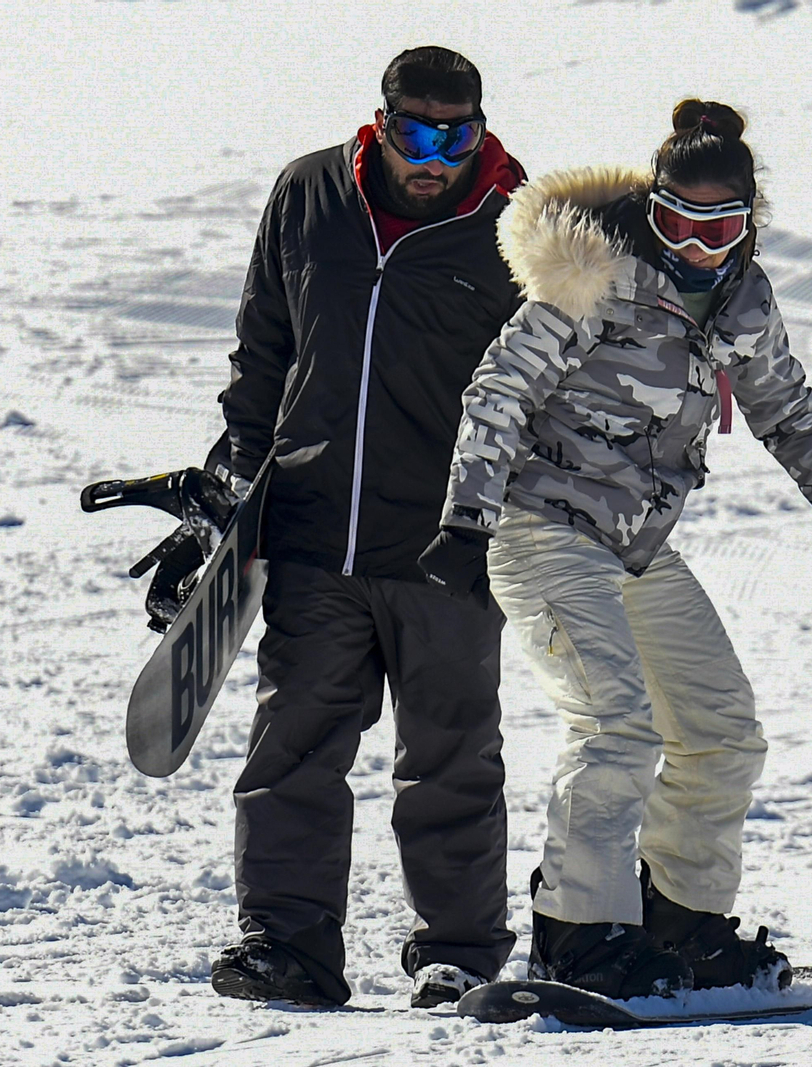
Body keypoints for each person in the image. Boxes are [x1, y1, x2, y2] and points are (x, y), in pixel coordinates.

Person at [419, 100, 812, 999]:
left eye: (720, 228)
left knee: (722, 729)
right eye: (678, 223)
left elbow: (788, 411)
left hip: (635, 544)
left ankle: (685, 922)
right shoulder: (596, 277)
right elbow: (499, 391)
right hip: (543, 526)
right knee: (615, 725)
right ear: (653, 209)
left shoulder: (744, 299)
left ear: (749, 222)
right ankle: (578, 932)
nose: (698, 247)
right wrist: (466, 516)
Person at [209, 47, 527, 1009]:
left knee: (451, 756)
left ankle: (459, 953)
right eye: (417, 134)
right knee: (293, 746)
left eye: (458, 137)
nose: (436, 157)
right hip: (313, 528)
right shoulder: (308, 194)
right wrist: (238, 475)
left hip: (445, 543)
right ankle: (288, 944)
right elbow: (266, 342)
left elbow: (549, 391)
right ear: (380, 125)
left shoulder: (520, 226)